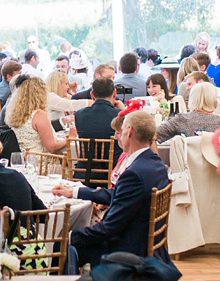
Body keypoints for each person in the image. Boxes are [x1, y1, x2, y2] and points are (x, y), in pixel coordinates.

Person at [54, 110, 168, 268]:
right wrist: (76, 192)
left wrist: (70, 234)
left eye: (120, 131)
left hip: (126, 249)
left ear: (129, 132)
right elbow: (119, 195)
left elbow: (109, 228)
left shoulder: (135, 173)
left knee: (59, 245)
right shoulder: (155, 163)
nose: (116, 137)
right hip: (146, 243)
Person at [7, 76, 75, 156]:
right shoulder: (39, 115)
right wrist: (70, 138)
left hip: (24, 160)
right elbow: (52, 148)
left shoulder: (17, 114)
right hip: (41, 163)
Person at [156, 82, 220, 142]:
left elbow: (154, 135)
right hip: (212, 158)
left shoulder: (181, 119)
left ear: (190, 101)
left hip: (186, 157)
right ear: (215, 103)